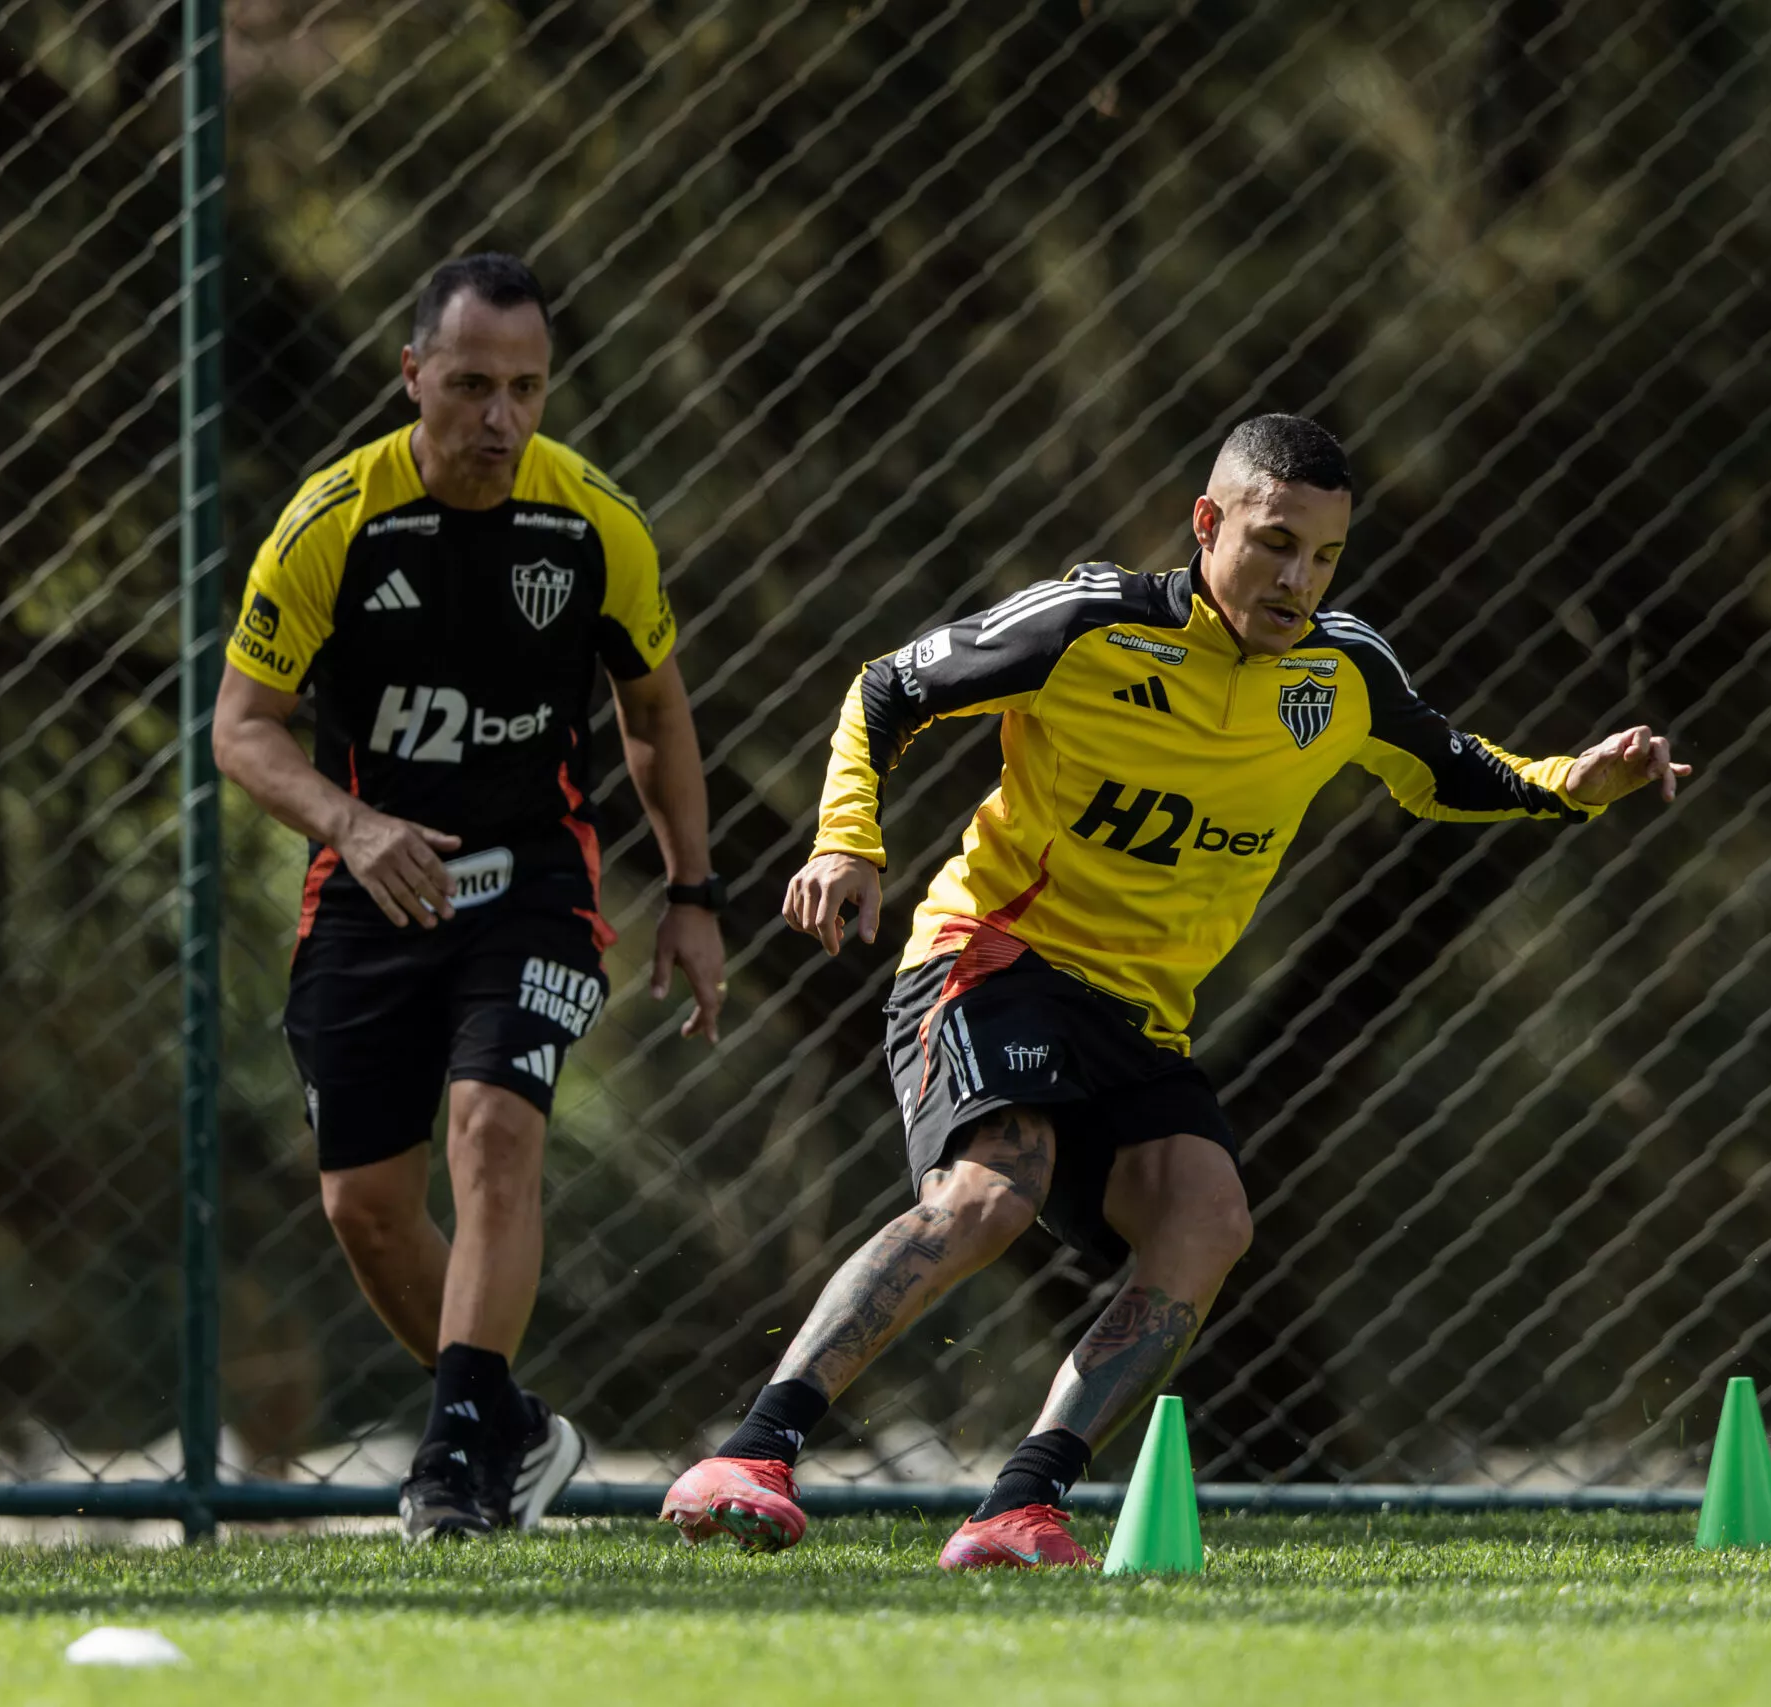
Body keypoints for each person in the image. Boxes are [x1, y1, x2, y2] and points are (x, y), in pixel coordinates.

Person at [661, 413, 1686, 1568]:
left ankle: (1020, 1507)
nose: (1298, 580)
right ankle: (751, 1451)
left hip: (1141, 1014)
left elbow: (1448, 770)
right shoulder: (1089, 625)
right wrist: (848, 840)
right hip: (996, 953)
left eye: (1324, 557)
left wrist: (1573, 782)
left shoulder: (1340, 672)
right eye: (1273, 543)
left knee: (1208, 1220)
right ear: (1207, 522)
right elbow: (887, 688)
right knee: (995, 1193)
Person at [213, 253, 728, 1542]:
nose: (499, 418)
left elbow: (652, 707)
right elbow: (243, 727)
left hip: (535, 880)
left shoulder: (593, 522)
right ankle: (514, 1427)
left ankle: (451, 1462)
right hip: (369, 884)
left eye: (526, 388)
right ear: (411, 380)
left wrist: (693, 890)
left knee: (494, 1132)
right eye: (469, 386)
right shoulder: (333, 524)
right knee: (365, 1208)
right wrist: (354, 822)